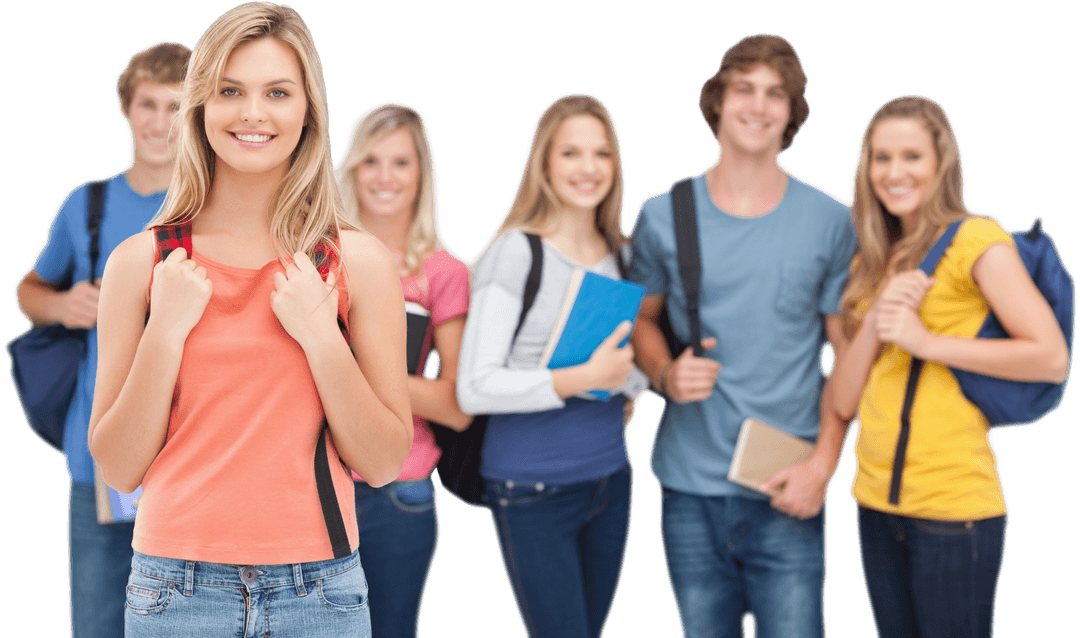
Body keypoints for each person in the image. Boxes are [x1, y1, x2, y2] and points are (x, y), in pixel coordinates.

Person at [86, 3, 412, 636]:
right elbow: (120, 466)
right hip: (174, 587)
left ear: (309, 111)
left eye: (278, 92)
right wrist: (165, 330)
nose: (253, 113)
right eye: (230, 90)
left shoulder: (357, 263)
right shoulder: (141, 265)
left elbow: (382, 461)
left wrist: (321, 336)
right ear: (200, 107)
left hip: (319, 587)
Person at [627, 33, 857, 638]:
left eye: (775, 94)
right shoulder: (662, 213)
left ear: (792, 113)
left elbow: (850, 358)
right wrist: (665, 374)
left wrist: (824, 467)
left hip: (788, 484)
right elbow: (641, 322)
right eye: (744, 89)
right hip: (689, 489)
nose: (758, 106)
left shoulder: (832, 220)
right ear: (717, 101)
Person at [830, 94, 1068, 638]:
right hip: (873, 505)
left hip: (953, 513)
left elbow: (1050, 357)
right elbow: (844, 400)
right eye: (881, 157)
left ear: (941, 164)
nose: (894, 173)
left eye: (911, 156)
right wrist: (877, 317)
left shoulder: (974, 241)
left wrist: (925, 340)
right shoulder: (871, 260)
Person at [13, 38, 190, 638]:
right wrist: (63, 303)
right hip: (101, 464)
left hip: (191, 460)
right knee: (97, 623)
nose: (160, 122)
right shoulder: (86, 206)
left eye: (175, 105)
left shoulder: (216, 210)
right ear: (126, 108)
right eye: (148, 104)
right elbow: (30, 291)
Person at [456, 92, 643, 638]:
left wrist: (629, 381)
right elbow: (475, 386)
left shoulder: (623, 254)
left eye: (602, 154)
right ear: (544, 163)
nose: (588, 169)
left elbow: (625, 370)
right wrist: (584, 379)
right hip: (533, 487)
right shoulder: (517, 253)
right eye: (571, 153)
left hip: (610, 481)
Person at [335, 101, 472, 638]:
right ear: (351, 170)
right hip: (313, 483)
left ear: (422, 175)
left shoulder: (444, 273)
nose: (385, 178)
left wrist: (358, 375)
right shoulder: (314, 256)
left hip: (399, 489)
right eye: (371, 161)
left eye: (401, 163)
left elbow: (457, 407)